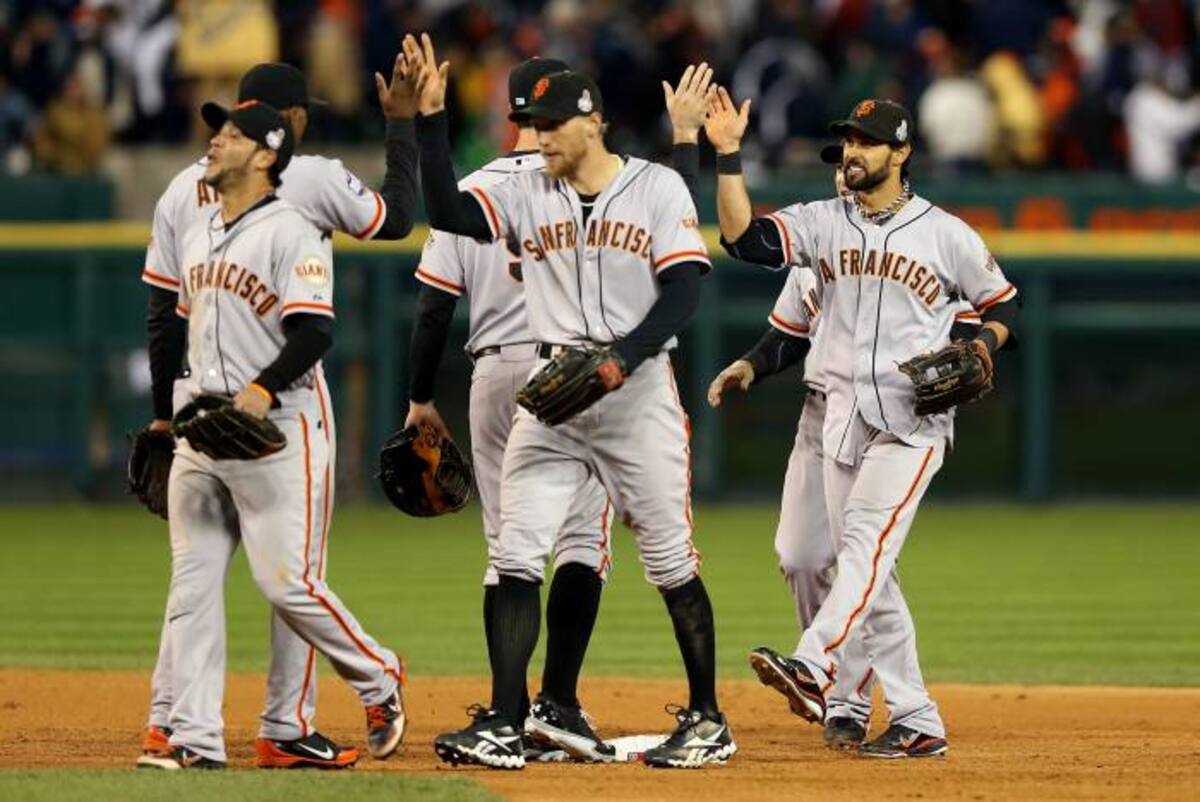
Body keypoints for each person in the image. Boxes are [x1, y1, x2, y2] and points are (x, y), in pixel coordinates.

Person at [406, 32, 735, 769]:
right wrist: (428, 122)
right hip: (550, 396)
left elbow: (684, 290)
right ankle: (502, 718)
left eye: (549, 124)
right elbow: (448, 212)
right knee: (516, 552)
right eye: (529, 124)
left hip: (637, 393)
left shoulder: (654, 187)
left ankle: (709, 718)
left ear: (594, 121)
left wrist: (623, 359)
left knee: (669, 557)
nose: (537, 137)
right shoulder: (523, 189)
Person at [708, 91, 1018, 758]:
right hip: (837, 416)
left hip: (913, 421)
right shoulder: (824, 225)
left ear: (901, 152)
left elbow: (1002, 308)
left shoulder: (948, 235)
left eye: (865, 141)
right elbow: (745, 240)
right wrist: (728, 155)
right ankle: (912, 716)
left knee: (862, 553)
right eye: (846, 141)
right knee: (825, 559)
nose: (851, 152)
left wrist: (984, 345)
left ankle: (815, 669)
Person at [137, 61, 418, 769]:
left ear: (265, 149)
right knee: (193, 584)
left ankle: (368, 680)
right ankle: (192, 736)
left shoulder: (296, 220)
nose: (213, 143)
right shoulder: (201, 216)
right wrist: (169, 417)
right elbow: (171, 322)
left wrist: (257, 389)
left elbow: (316, 331)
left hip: (280, 420)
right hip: (204, 426)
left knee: (285, 580)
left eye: (227, 132)